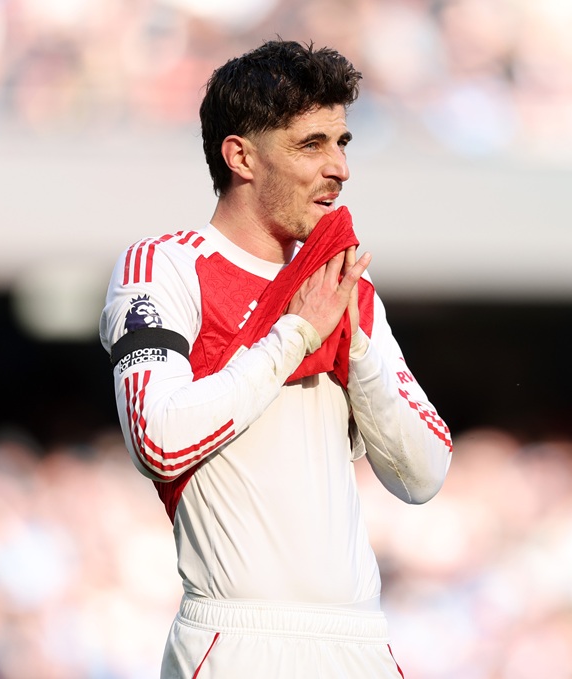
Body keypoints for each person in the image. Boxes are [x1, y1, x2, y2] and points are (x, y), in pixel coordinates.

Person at [99, 39, 452, 678]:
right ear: (241, 157)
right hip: (236, 639)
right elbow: (155, 440)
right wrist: (292, 337)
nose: (339, 169)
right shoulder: (164, 267)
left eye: (342, 143)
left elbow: (424, 473)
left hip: (362, 641)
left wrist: (355, 348)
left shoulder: (347, 291)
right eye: (311, 144)